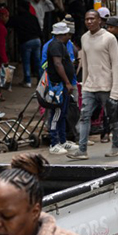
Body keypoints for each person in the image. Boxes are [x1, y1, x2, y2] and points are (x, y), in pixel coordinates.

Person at [67, 9, 118, 160]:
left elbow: (116, 64)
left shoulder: (109, 38)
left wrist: (115, 90)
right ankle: (82, 150)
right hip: (90, 87)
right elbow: (84, 63)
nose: (89, 22)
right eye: (87, 19)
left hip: (106, 86)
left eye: (92, 19)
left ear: (99, 21)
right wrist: (84, 84)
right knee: (84, 117)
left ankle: (116, 146)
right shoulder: (84, 38)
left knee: (113, 117)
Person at [43, 22, 75, 155]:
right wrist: (67, 82)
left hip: (62, 85)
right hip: (58, 86)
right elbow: (57, 64)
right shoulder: (55, 45)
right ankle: (54, 142)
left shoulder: (61, 45)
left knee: (63, 114)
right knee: (56, 114)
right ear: (63, 34)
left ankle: (62, 140)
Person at [10, 0, 44, 88]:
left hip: (26, 42)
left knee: (26, 62)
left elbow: (8, 23)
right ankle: (41, 80)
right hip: (36, 40)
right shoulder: (33, 17)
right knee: (37, 61)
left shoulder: (17, 18)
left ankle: (28, 81)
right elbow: (39, 29)